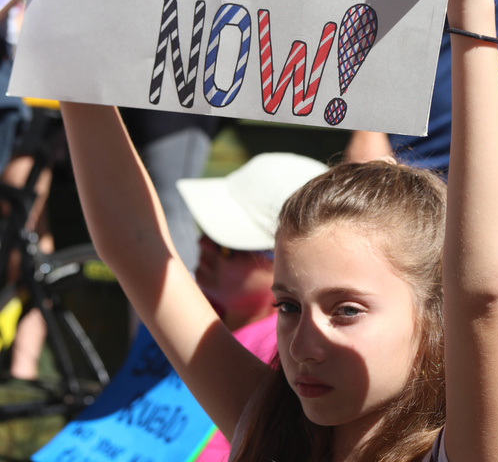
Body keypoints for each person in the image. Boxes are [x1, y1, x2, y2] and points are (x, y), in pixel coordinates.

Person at [11, 0, 498, 462]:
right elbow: (138, 250)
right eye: (287, 305)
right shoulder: (269, 425)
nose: (304, 343)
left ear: (436, 318)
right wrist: (67, 19)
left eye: (347, 310)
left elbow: (486, 293)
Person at [35, 153, 326, 462]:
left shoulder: (283, 353)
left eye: (226, 246)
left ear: (288, 265)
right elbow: (130, 241)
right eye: (205, 233)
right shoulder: (201, 303)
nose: (204, 248)